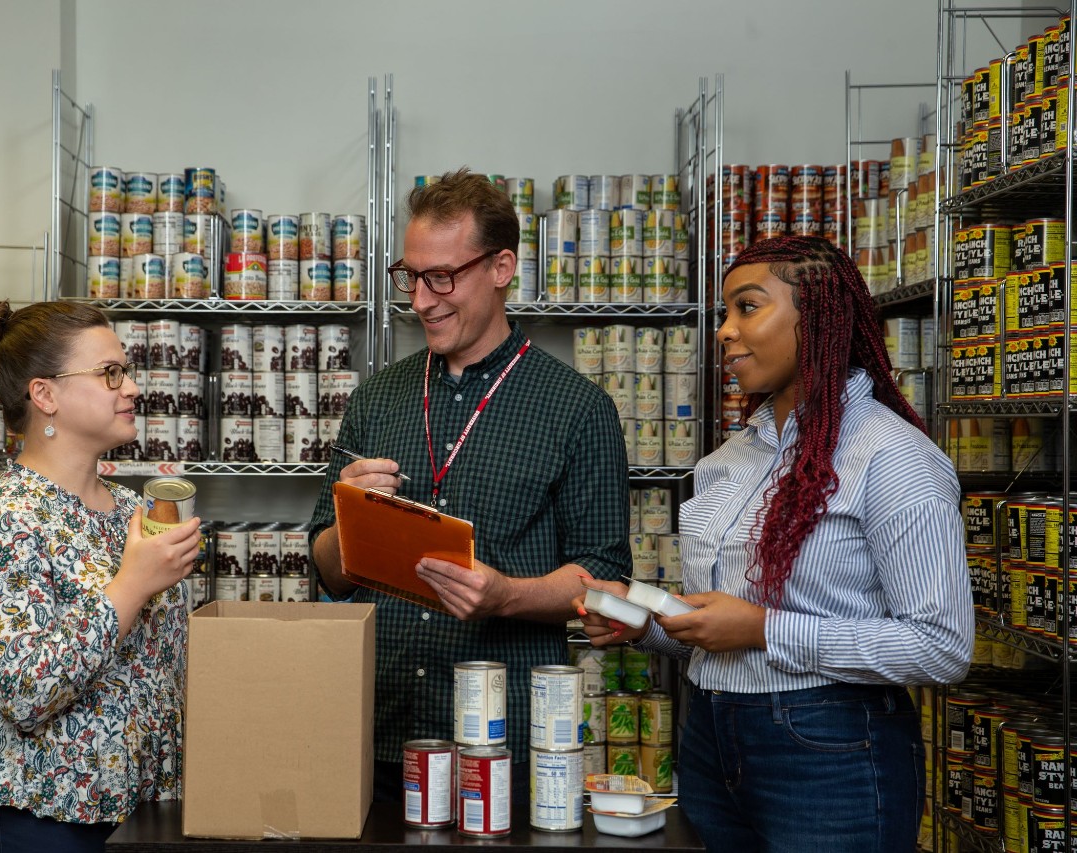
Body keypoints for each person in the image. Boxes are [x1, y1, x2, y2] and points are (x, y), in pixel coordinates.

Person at [577, 236, 974, 852]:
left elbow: (942, 648)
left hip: (830, 745)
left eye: (748, 307)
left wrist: (765, 629)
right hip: (710, 733)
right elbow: (723, 622)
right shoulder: (731, 460)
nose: (725, 332)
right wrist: (644, 621)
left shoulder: (892, 458)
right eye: (724, 314)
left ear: (814, 316)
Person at [309, 168, 631, 802]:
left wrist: (506, 596)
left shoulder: (578, 408)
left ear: (502, 266)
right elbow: (327, 568)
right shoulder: (376, 400)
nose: (422, 300)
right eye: (411, 276)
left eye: (443, 277)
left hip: (504, 746)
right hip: (377, 735)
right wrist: (349, 520)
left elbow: (604, 576)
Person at [0, 301, 201, 852]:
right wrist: (131, 585)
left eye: (125, 371)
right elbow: (24, 692)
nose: (130, 388)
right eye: (110, 373)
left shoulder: (131, 510)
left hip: (140, 809)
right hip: (38, 816)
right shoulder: (2, 521)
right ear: (45, 395)